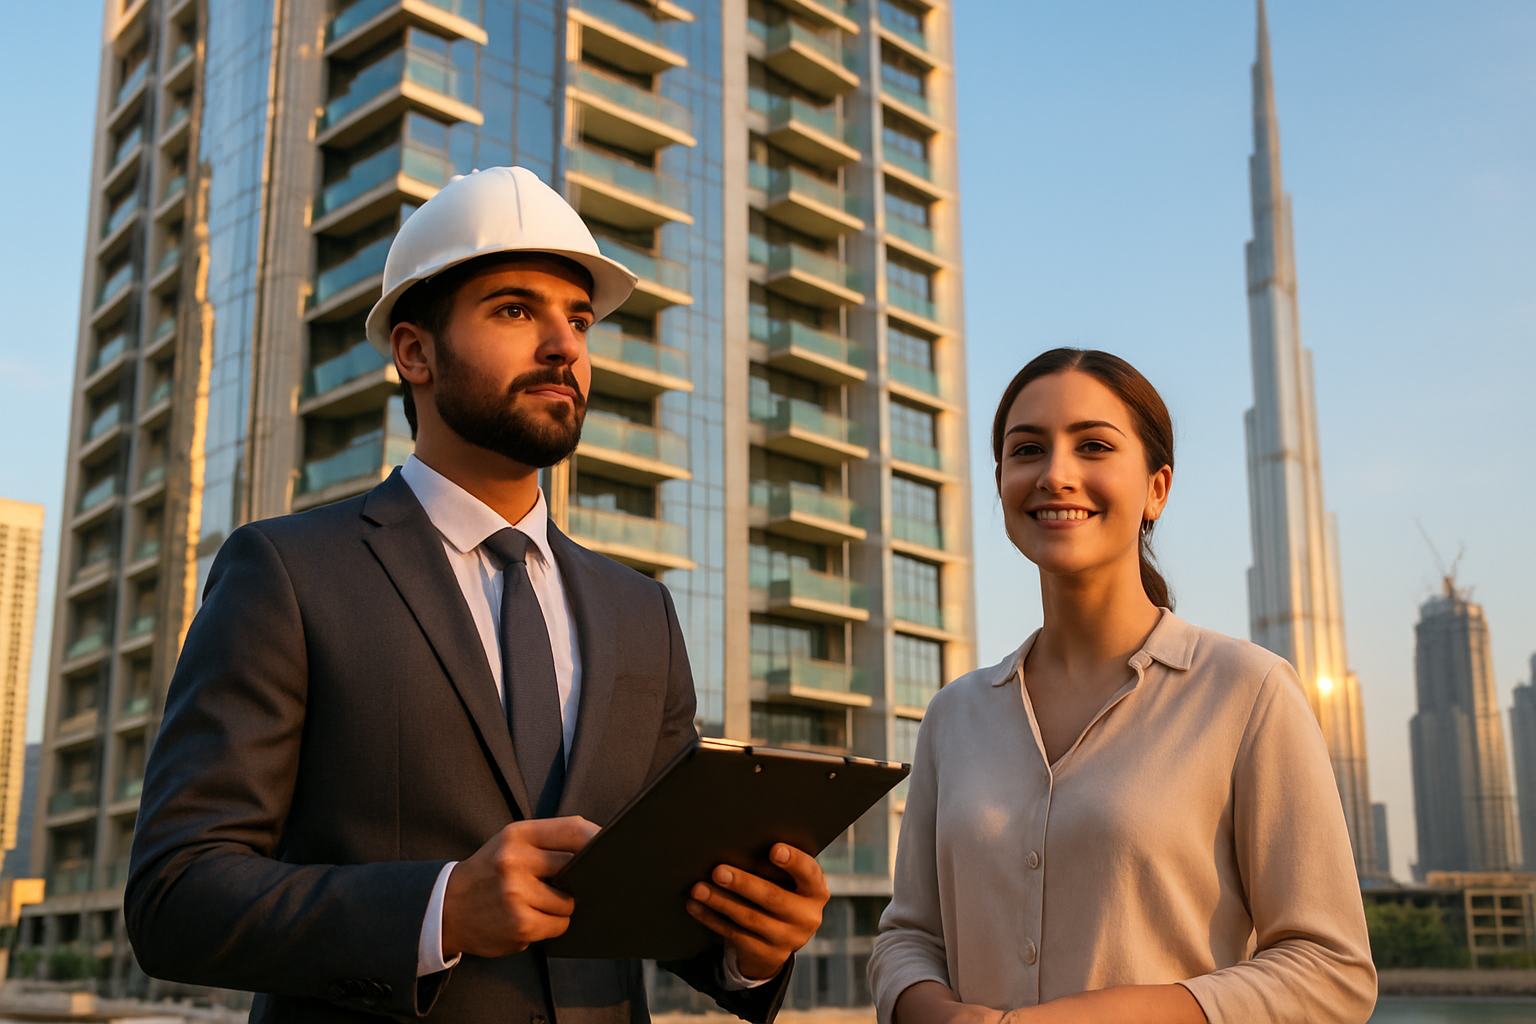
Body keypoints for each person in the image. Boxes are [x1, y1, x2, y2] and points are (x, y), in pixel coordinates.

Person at [125, 167, 828, 1023]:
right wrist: (442, 908)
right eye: (514, 310)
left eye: (577, 319)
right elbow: (176, 894)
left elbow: (653, 895)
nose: (564, 345)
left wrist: (749, 945)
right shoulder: (286, 573)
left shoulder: (642, 612)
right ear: (415, 351)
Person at [868, 348, 1376, 1024]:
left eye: (1093, 446)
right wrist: (940, 1014)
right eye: (1028, 450)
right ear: (1001, 483)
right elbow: (907, 938)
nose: (1056, 474)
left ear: (1157, 489)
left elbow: (1331, 970)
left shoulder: (1248, 693)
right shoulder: (953, 716)